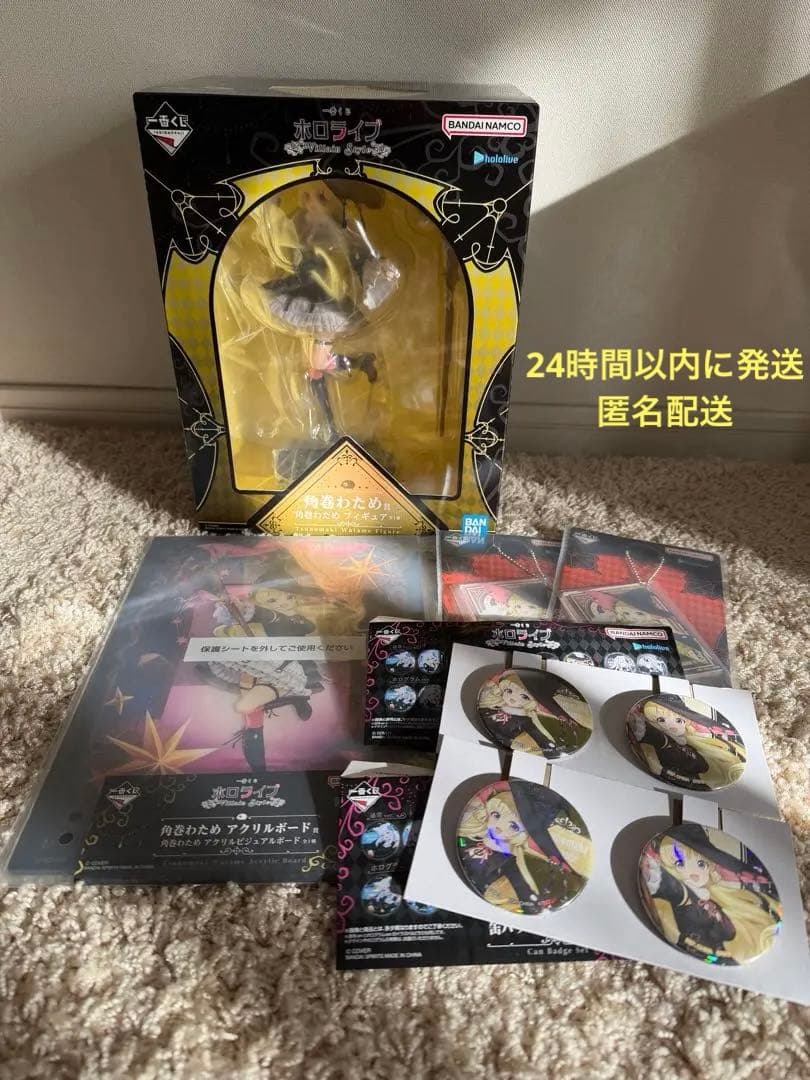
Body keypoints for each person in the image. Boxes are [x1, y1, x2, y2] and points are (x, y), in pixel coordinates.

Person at [640, 825, 782, 964]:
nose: (694, 874)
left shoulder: (732, 884)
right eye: (679, 864)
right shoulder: (703, 892)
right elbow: (673, 891)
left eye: (700, 863)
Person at [457, 782, 590, 915]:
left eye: (513, 826)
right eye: (496, 815)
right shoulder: (472, 829)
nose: (498, 827)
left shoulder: (517, 859)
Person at [628, 694, 745, 790]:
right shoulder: (666, 740)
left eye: (678, 720)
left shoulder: (700, 737)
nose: (672, 726)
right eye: (661, 720)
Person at [478, 670, 590, 757]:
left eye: (524, 697)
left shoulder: (527, 716)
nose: (512, 698)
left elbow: (537, 730)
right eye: (509, 691)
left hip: (504, 738)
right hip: (488, 728)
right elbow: (489, 693)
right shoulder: (494, 698)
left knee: (531, 727)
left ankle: (550, 746)